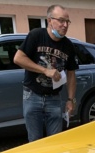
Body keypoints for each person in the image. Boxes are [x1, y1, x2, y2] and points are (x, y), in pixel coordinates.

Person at [14, 4, 78, 142]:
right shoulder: (36, 35)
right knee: (35, 141)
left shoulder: (68, 46)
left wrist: (70, 100)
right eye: (61, 20)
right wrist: (45, 70)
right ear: (49, 20)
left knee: (55, 142)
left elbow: (71, 74)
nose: (65, 25)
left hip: (54, 98)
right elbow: (18, 58)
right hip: (32, 95)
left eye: (67, 21)